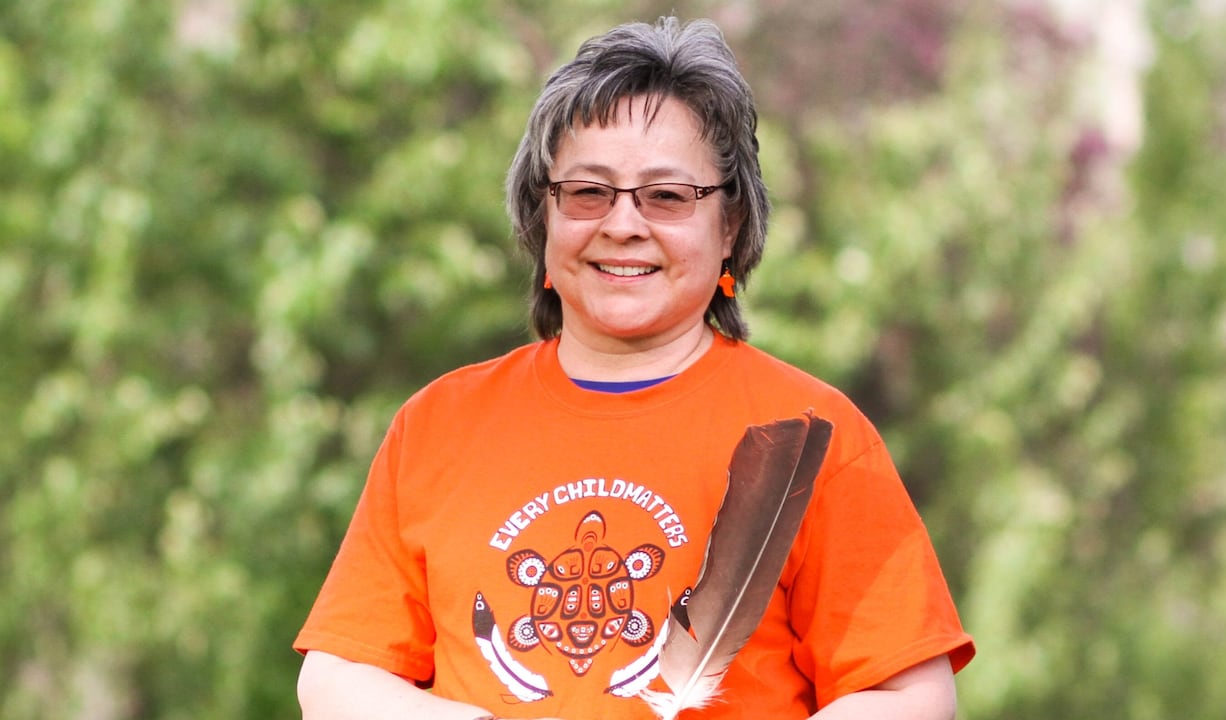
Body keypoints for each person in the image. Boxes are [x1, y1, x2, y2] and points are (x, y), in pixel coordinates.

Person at [294, 16, 974, 720]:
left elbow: (909, 694)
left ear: (730, 228)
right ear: (543, 217)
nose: (623, 224)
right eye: (588, 192)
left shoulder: (815, 435)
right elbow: (336, 677)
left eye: (667, 196)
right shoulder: (435, 425)